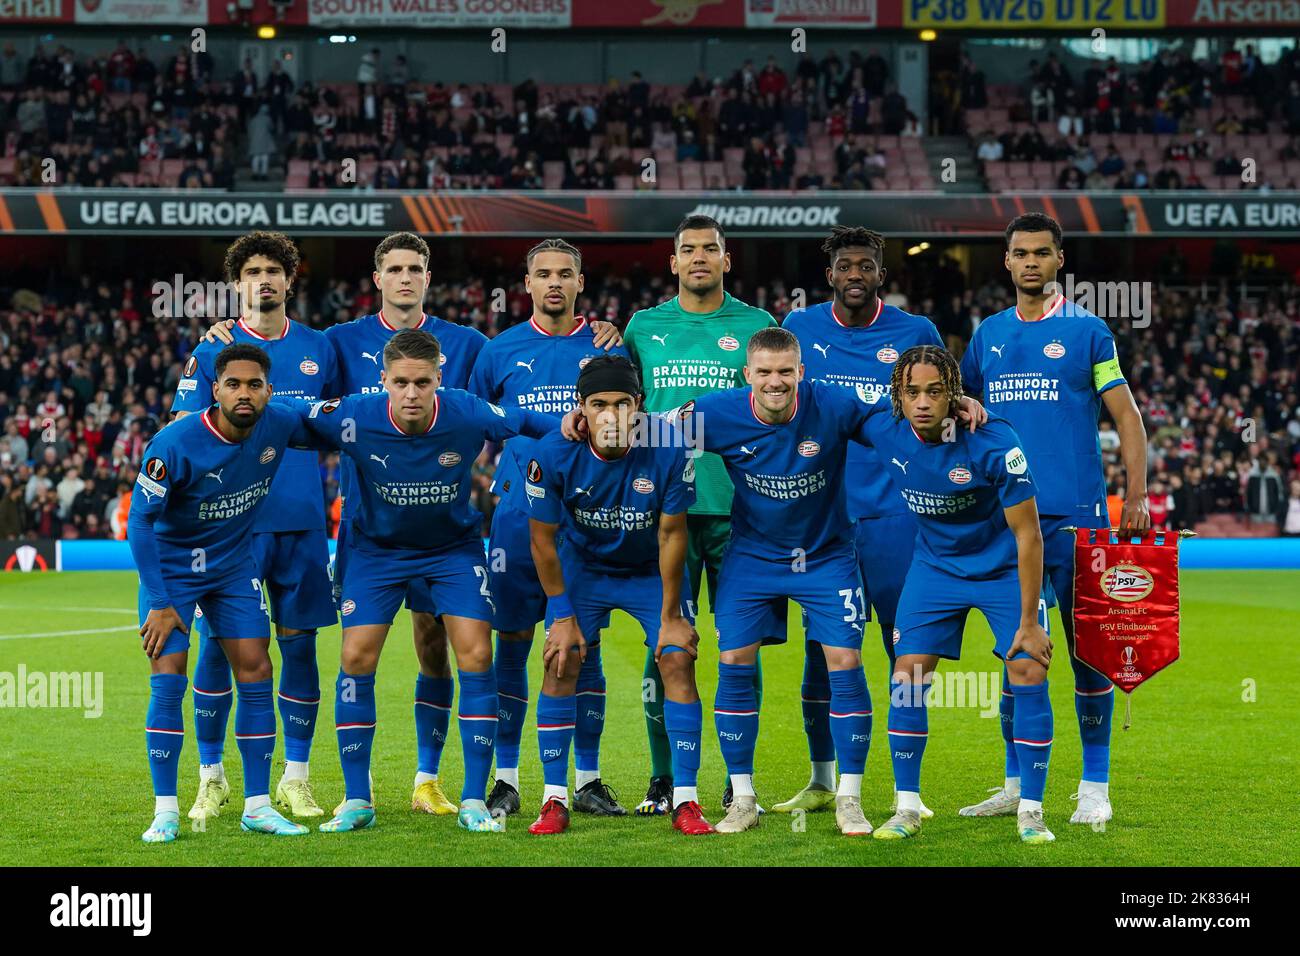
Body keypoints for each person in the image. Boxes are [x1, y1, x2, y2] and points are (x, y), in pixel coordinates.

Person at [302, 329, 559, 834]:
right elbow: (287, 421)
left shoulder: (467, 411)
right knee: (355, 658)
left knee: (477, 656)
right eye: (401, 383)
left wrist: (581, 425)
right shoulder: (354, 414)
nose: (412, 394)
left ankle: (473, 800)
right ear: (384, 382)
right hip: (377, 553)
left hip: (451, 552)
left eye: (423, 382)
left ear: (438, 380)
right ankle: (358, 799)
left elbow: (533, 422)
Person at [667, 327, 912, 836]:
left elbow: (901, 426)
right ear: (747, 375)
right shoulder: (714, 413)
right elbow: (646, 435)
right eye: (764, 373)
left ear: (801, 372)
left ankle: (849, 797)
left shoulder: (837, 406)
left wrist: (965, 411)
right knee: (734, 661)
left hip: (827, 554)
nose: (775, 382)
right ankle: (743, 797)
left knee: (845, 661)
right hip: (752, 556)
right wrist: (590, 422)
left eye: (785, 372)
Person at [960, 212, 1149, 826]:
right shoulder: (987, 337)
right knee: (1020, 653)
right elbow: (959, 417)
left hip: (1080, 521)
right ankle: (1017, 783)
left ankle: (1094, 787)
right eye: (1021, 253)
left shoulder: (1089, 331)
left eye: (1043, 252)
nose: (1032, 262)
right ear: (1008, 262)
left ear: (1058, 260)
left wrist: (1136, 495)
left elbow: (1126, 416)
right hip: (1009, 521)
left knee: (1087, 654)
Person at [778, 225, 947, 818]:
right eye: (845, 265)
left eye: (866, 265)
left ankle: (910, 792)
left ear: (881, 272)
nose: (856, 274)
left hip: (898, 516)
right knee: (822, 653)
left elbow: (940, 407)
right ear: (829, 274)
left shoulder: (915, 333)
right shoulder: (799, 330)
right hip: (824, 516)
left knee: (908, 651)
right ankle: (823, 780)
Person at [859, 345, 1056, 844]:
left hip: (1003, 569)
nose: (923, 402)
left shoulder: (994, 441)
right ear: (896, 396)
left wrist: (1031, 621)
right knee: (906, 675)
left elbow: (1029, 534)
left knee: (1027, 667)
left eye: (936, 391)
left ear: (955, 394)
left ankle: (1031, 810)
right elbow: (825, 412)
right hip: (935, 569)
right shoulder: (883, 428)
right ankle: (906, 808)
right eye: (912, 392)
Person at [174, 231, 338, 823]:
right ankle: (211, 777)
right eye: (252, 272)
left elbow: (347, 422)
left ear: (289, 279)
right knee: (220, 648)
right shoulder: (211, 352)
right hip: (228, 529)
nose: (263, 279)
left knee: (299, 647)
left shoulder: (322, 347)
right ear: (237, 284)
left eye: (274, 270)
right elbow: (183, 430)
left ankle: (296, 777)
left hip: (299, 525)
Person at [467, 239, 630, 818]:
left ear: (580, 282)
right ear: (527, 284)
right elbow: (471, 418)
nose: (554, 283)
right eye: (543, 274)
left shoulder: (608, 344)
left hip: (585, 520)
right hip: (516, 517)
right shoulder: (499, 351)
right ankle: (507, 780)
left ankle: (585, 780)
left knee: (585, 647)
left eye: (565, 273)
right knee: (510, 644)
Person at [621, 213, 778, 816]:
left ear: (726, 259)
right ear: (674, 262)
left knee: (741, 647)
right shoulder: (643, 327)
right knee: (665, 645)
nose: (699, 259)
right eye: (687, 250)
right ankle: (665, 779)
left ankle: (739, 784)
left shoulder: (758, 325)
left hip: (743, 512)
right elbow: (621, 403)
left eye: (710, 249)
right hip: (667, 514)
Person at [129, 343, 315, 843]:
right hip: (172, 571)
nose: (244, 393)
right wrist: (163, 603)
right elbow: (139, 524)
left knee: (257, 670)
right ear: (214, 390)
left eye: (254, 384)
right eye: (233, 384)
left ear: (269, 390)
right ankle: (165, 810)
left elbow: (337, 419)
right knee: (168, 679)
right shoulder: (175, 442)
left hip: (232, 568)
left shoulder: (280, 424)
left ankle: (257, 805)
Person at [526, 356, 714, 836]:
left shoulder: (669, 448)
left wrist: (672, 615)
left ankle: (687, 800)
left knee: (676, 657)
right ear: (581, 409)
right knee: (561, 657)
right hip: (584, 570)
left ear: (640, 407)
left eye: (622, 404)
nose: (611, 416)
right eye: (599, 405)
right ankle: (554, 798)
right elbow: (542, 542)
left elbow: (673, 536)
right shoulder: (552, 453)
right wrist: (563, 614)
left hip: (648, 572)